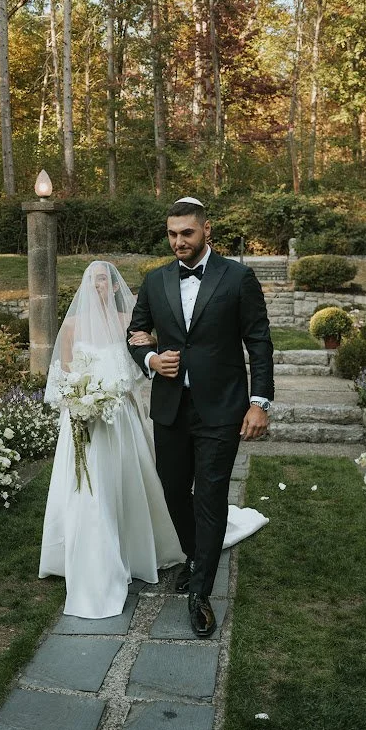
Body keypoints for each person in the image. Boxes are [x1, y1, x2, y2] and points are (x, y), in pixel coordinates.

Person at [127, 197, 274, 638]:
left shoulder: (238, 277)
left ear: (206, 230)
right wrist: (151, 359)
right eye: (172, 234)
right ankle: (196, 556)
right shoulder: (155, 281)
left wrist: (259, 402)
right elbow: (135, 333)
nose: (178, 242)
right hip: (171, 408)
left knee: (210, 496)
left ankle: (200, 592)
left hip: (222, 408)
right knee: (174, 491)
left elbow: (259, 342)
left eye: (186, 233)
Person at [39, 261, 184, 619]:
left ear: (115, 286)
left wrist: (115, 391)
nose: (98, 285)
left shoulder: (127, 322)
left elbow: (139, 368)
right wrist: (77, 398)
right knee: (88, 489)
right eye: (92, 280)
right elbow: (65, 370)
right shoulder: (72, 325)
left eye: (103, 279)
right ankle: (84, 553)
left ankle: (134, 547)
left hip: (120, 416)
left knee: (125, 481)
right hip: (83, 417)